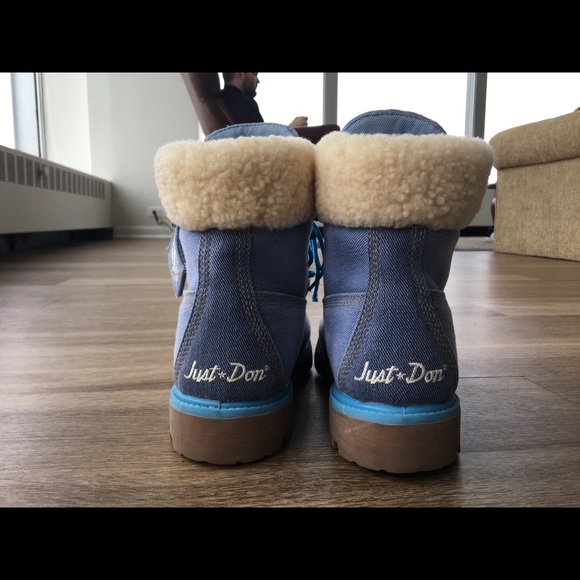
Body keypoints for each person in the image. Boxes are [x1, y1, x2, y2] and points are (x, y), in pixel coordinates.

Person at [220, 72, 308, 128]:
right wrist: (291, 129)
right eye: (255, 74)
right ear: (239, 74)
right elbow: (259, 143)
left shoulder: (222, 100)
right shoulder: (242, 103)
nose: (258, 81)